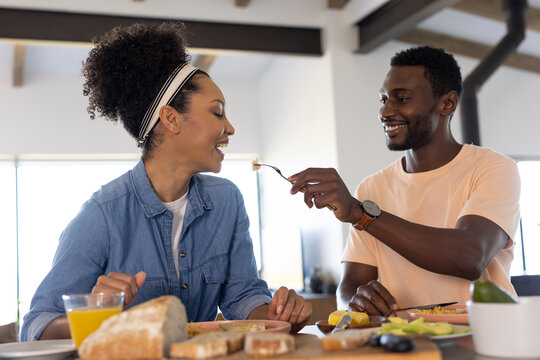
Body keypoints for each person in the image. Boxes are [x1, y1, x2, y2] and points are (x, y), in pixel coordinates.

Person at [21, 22, 311, 342]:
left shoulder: (227, 200)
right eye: (217, 113)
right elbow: (35, 325)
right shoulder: (102, 214)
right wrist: (95, 315)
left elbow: (242, 296)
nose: (230, 128)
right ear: (171, 118)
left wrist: (278, 315)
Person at [288, 46, 520, 316]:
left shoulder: (492, 168)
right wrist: (358, 300)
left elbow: (470, 257)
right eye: (383, 98)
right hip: (403, 346)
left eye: (401, 99)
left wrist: (362, 214)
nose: (385, 111)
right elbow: (349, 287)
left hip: (483, 341)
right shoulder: (371, 188)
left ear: (447, 103)